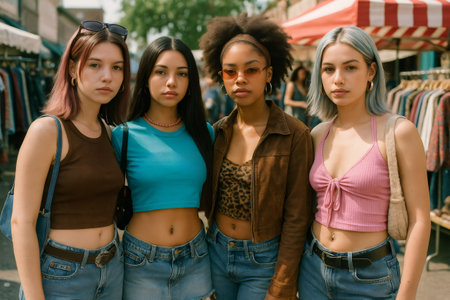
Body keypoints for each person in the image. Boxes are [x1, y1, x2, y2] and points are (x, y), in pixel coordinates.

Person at [298, 26, 430, 300]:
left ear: (371, 72)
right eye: (328, 69)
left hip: (369, 278)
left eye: (350, 67)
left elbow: (420, 219)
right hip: (312, 270)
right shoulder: (318, 133)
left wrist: (407, 294)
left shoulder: (398, 131)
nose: (338, 79)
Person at [11, 20, 131, 299]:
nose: (107, 77)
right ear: (73, 71)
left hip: (112, 270)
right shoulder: (47, 131)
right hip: (61, 274)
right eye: (94, 65)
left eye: (117, 68)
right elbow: (21, 222)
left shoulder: (111, 134)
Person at [199, 13, 314, 300]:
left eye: (251, 70)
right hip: (215, 254)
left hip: (263, 261)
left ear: (269, 74)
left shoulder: (295, 134)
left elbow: (298, 217)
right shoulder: (217, 133)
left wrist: (283, 282)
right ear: (220, 76)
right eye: (230, 71)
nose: (240, 79)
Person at [111, 36, 214, 300]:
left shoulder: (206, 134)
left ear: (191, 81)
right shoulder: (123, 135)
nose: (171, 82)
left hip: (196, 258)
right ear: (145, 78)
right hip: (140, 260)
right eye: (161, 72)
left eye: (182, 74)